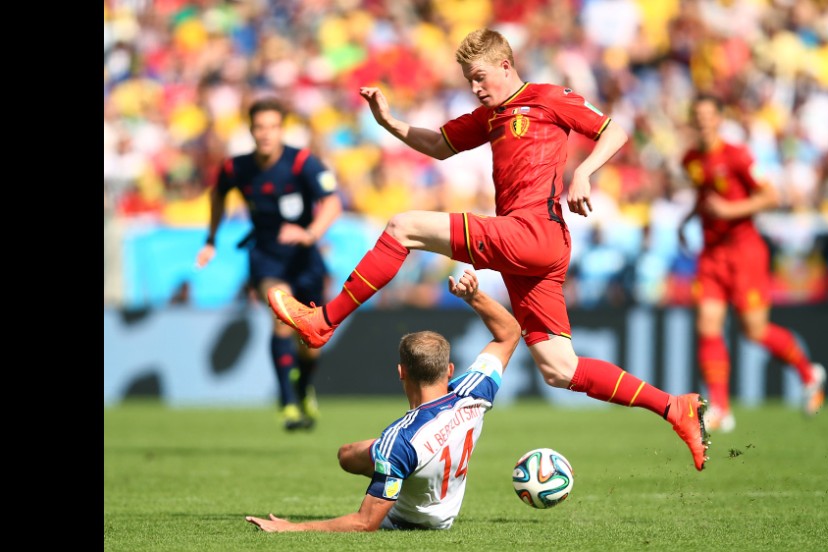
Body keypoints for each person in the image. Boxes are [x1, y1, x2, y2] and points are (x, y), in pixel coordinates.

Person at [267, 28, 711, 470]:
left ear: (505, 65)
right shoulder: (491, 116)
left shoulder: (548, 96)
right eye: (468, 81)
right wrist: (388, 122)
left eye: (480, 77)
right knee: (559, 368)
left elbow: (615, 131)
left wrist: (584, 172)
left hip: (533, 232)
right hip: (535, 247)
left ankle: (323, 321)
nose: (475, 89)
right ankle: (675, 407)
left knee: (403, 227)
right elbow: (439, 145)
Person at [246, 269, 521, 532]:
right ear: (449, 370)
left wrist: (293, 527)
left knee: (350, 456)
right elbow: (509, 332)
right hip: (444, 497)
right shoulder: (473, 392)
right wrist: (474, 296)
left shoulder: (399, 440)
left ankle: (393, 466)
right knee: (348, 454)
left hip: (408, 518)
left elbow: (364, 524)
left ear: (401, 372)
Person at [677, 93, 827, 434]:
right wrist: (685, 221)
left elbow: (772, 196)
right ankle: (721, 408)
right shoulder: (690, 158)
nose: (702, 123)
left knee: (754, 331)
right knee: (707, 325)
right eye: (696, 117)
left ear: (718, 119)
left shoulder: (737, 155)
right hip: (713, 253)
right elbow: (705, 195)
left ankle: (808, 372)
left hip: (745, 252)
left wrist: (730, 211)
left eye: (707, 117)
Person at [195, 96, 343, 431]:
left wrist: (310, 233)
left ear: (282, 129)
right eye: (260, 127)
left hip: (305, 258)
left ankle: (303, 388)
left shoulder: (302, 163)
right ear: (250, 130)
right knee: (281, 317)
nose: (266, 134)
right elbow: (217, 195)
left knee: (312, 342)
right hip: (265, 255)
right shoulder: (236, 167)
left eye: (273, 127)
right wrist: (210, 239)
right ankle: (288, 402)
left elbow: (332, 203)